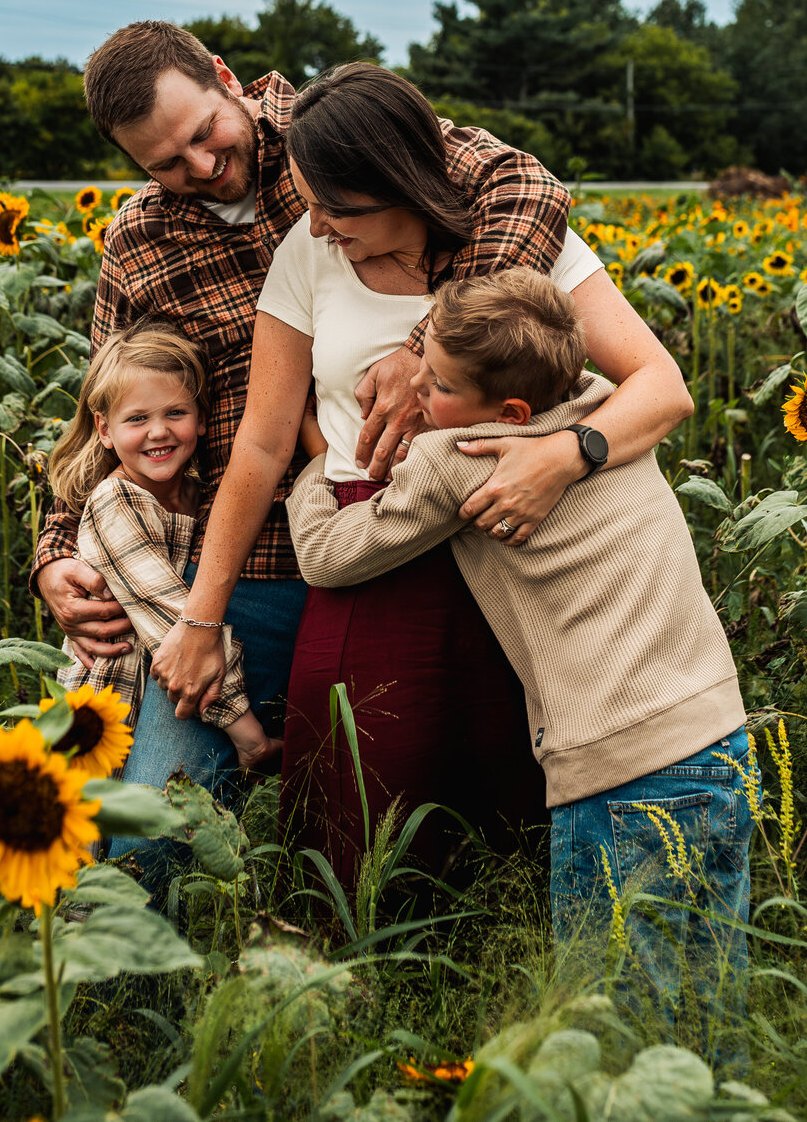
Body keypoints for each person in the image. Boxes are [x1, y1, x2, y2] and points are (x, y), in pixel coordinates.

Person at [33, 22, 576, 856]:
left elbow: (526, 189)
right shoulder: (139, 243)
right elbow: (102, 415)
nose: (203, 170)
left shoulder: (337, 136)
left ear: (225, 78)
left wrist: (422, 347)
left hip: (404, 521)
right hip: (237, 568)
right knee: (150, 823)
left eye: (206, 135)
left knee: (456, 796)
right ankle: (144, 985)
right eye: (166, 164)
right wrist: (57, 552)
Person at [167, 64, 696, 882]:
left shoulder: (519, 254)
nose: (313, 225)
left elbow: (661, 390)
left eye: (336, 208)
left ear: (400, 185)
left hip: (516, 547)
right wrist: (201, 619)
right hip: (368, 546)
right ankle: (364, 978)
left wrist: (560, 455)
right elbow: (261, 447)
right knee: (357, 803)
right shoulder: (309, 261)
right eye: (306, 201)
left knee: (512, 801)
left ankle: (502, 969)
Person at [286, 266, 755, 1060]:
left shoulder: (457, 457)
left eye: (433, 382)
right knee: (706, 1010)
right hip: (717, 737)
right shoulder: (607, 408)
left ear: (507, 413)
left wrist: (315, 461)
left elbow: (329, 558)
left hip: (616, 768)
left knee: (611, 1034)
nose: (417, 393)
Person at [48, 320, 280, 772]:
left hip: (153, 691)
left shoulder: (200, 498)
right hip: (104, 703)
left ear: (203, 418)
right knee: (91, 829)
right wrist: (248, 734)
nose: (159, 432)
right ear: (104, 429)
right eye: (137, 419)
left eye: (175, 413)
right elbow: (174, 621)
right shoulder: (115, 502)